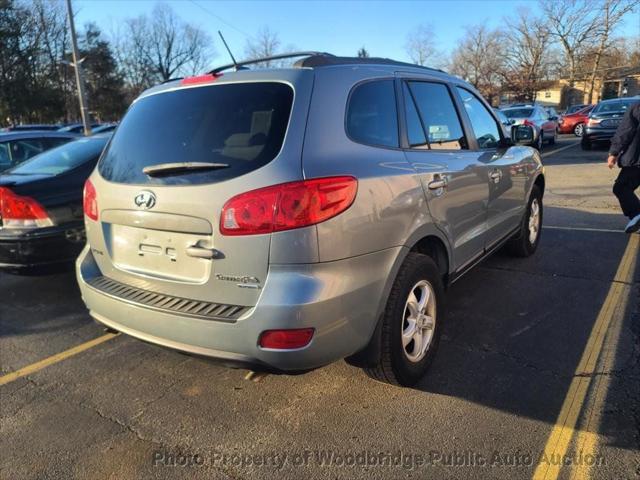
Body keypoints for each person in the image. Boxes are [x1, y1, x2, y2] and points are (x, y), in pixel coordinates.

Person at [608, 100, 640, 233]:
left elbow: (625, 131)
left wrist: (614, 152)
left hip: (636, 160)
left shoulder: (636, 107)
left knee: (621, 187)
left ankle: (637, 215)